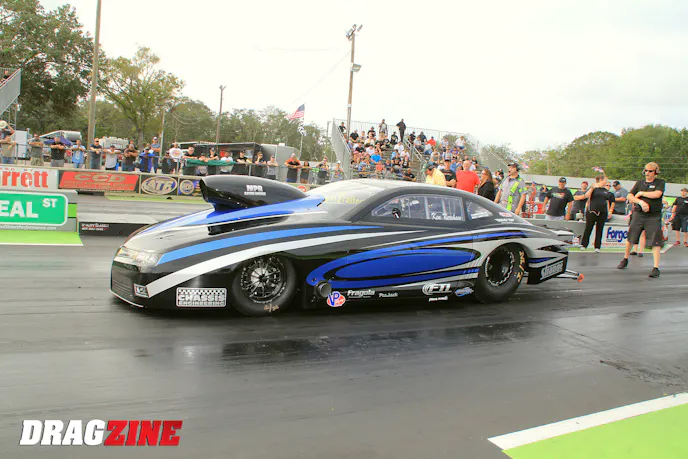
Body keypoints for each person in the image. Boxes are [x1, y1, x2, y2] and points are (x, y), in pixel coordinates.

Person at [617, 162, 665, 278]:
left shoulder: (660, 182)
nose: (647, 173)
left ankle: (656, 267)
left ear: (655, 172)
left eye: (650, 171)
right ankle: (625, 258)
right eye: (646, 170)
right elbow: (629, 196)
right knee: (631, 237)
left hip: (653, 215)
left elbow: (657, 194)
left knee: (655, 240)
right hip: (639, 214)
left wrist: (642, 193)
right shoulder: (639, 183)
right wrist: (640, 202)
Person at [580, 175, 615, 252]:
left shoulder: (606, 191)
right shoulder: (593, 188)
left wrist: (610, 211)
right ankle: (584, 244)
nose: (606, 182)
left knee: (599, 229)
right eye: (605, 180)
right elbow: (586, 196)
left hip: (603, 211)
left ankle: (597, 246)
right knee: (588, 228)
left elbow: (610, 201)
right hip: (592, 210)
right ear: (601, 180)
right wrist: (592, 188)